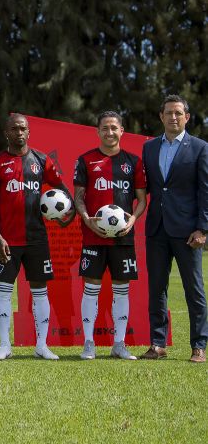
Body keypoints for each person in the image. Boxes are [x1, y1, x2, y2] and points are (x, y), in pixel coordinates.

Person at [0, 113, 75, 360]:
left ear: (28, 132)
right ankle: (4, 346)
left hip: (36, 238)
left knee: (40, 291)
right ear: (6, 133)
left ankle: (41, 346)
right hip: (7, 240)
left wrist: (66, 214)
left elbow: (63, 190)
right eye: (14, 129)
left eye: (23, 128)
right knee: (3, 291)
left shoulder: (42, 160)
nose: (19, 133)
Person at [74, 111, 147, 360]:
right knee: (91, 288)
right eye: (105, 128)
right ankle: (88, 343)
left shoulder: (133, 162)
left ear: (122, 131)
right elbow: (79, 197)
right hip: (93, 236)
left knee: (121, 290)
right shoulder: (85, 160)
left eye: (114, 128)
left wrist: (133, 219)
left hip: (123, 238)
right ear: (98, 131)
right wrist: (87, 218)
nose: (109, 132)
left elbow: (141, 200)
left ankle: (119, 344)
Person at [141, 95, 208, 362]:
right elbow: (147, 187)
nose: (173, 117)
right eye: (168, 113)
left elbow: (205, 191)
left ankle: (199, 346)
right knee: (157, 288)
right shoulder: (149, 148)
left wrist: (202, 229)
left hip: (188, 232)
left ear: (187, 117)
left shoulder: (200, 148)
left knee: (194, 290)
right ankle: (157, 344)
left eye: (178, 113)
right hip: (156, 229)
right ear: (161, 116)